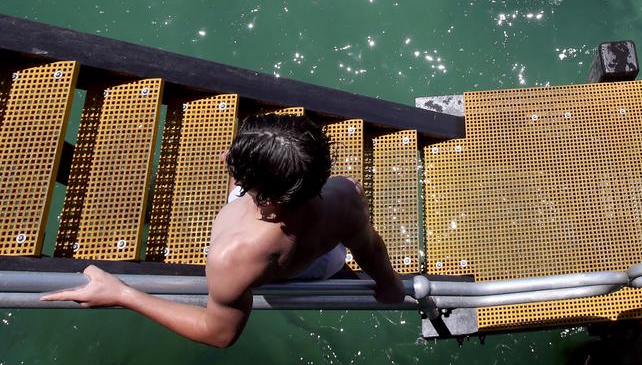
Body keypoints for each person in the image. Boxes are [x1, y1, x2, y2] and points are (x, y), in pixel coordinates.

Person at [41, 114, 406, 348]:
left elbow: (219, 333)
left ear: (263, 195)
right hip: (325, 258)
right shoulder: (344, 192)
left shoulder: (235, 256)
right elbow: (370, 247)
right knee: (331, 263)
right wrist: (390, 284)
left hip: (279, 270)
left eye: (239, 169)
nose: (226, 160)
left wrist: (122, 293)